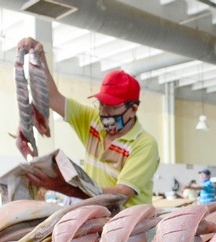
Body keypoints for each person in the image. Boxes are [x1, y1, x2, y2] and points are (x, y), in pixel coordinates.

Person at [17, 37, 159, 208]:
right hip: (98, 215)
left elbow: (121, 193)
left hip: (129, 225)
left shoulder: (144, 144)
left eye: (112, 108)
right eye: (101, 105)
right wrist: (39, 57)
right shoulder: (93, 120)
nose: (104, 113)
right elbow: (53, 98)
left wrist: (65, 188)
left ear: (133, 109)